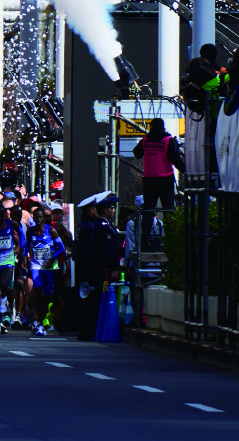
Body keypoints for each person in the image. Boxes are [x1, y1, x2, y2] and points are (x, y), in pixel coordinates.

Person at [73, 193, 122, 341]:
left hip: (89, 269)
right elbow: (93, 252)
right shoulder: (90, 227)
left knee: (90, 301)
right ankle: (88, 330)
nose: (113, 210)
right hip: (91, 270)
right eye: (110, 207)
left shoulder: (89, 225)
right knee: (90, 301)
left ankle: (90, 330)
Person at [132, 118, 181, 211]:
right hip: (166, 179)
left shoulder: (145, 140)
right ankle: (169, 225)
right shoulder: (168, 140)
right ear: (164, 128)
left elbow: (137, 154)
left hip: (149, 179)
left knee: (148, 209)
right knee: (168, 209)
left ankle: (146, 225)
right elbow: (175, 159)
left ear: (151, 127)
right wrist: (185, 169)